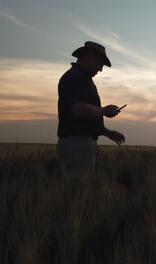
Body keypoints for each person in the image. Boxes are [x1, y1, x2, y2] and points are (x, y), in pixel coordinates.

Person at [57, 41, 125, 172]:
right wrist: (104, 110)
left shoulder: (82, 78)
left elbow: (85, 118)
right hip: (77, 145)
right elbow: (79, 110)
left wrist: (107, 132)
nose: (100, 69)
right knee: (79, 188)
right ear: (90, 57)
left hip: (80, 143)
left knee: (83, 186)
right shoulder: (75, 77)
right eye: (100, 63)